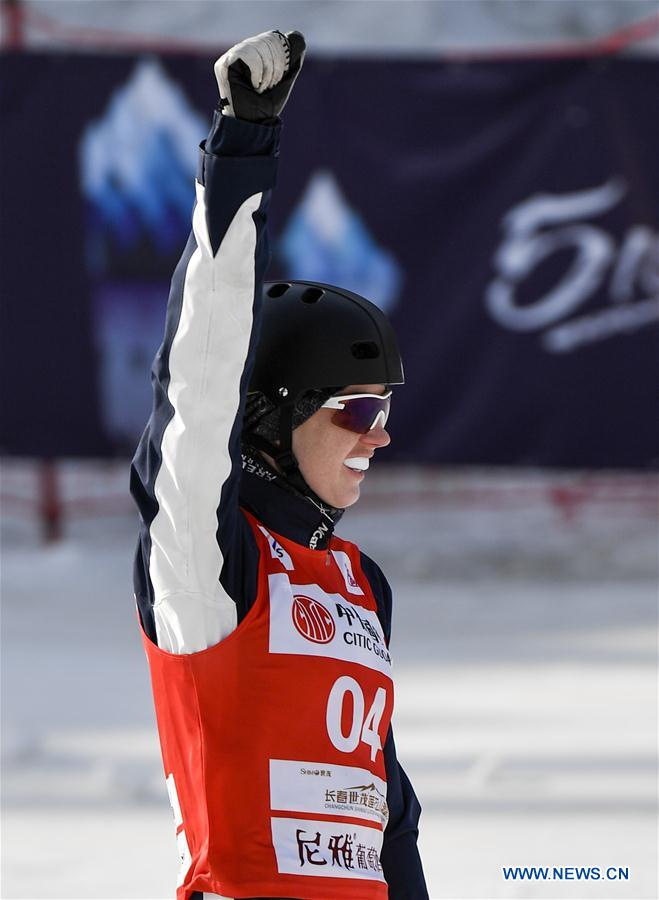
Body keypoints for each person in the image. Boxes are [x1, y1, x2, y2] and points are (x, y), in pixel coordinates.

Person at [131, 29, 428, 900]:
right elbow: (197, 388)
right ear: (268, 419)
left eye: (387, 411)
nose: (378, 438)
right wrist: (240, 151)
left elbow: (387, 813)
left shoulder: (356, 580)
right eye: (357, 411)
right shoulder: (209, 568)